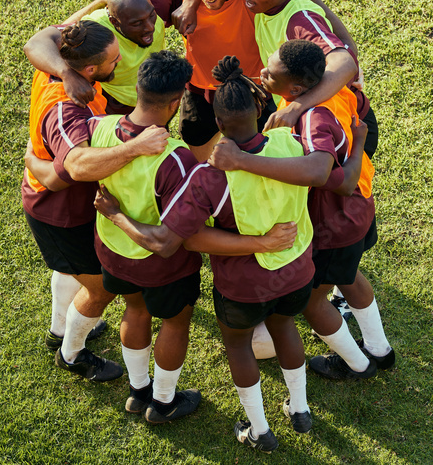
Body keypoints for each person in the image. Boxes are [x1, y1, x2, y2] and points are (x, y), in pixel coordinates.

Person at [95, 55, 316, 452]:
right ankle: (300, 409)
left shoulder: (207, 176)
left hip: (241, 286)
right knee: (286, 328)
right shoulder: (293, 142)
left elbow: (187, 239)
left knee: (237, 346)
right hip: (297, 270)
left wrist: (114, 215)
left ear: (216, 123)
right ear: (261, 108)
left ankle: (260, 430)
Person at [210, 40, 395, 380]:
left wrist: (241, 161)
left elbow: (319, 173)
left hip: (334, 221)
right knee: (348, 274)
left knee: (310, 300)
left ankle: (359, 364)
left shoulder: (311, 119)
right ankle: (380, 350)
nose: (262, 73)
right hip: (358, 205)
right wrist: (354, 159)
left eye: (271, 72)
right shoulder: (330, 94)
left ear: (295, 87)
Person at [22, 20, 170, 382]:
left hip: (63, 200)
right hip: (58, 210)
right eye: (113, 61)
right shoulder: (65, 109)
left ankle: (60, 328)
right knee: (101, 287)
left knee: (73, 269)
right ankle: (71, 354)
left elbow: (39, 38)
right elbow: (75, 165)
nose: (118, 65)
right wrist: (136, 147)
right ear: (90, 69)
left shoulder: (63, 55)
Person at [144, 0, 360, 161]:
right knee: (197, 156)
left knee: (263, 155)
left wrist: (346, 47)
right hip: (200, 90)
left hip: (255, 90)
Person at [23, 0, 167, 113]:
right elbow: (35, 44)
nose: (150, 27)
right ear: (114, 21)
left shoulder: (148, 1)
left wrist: (190, 0)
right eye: (137, 23)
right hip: (117, 105)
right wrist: (67, 74)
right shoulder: (95, 30)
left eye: (151, 15)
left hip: (156, 96)